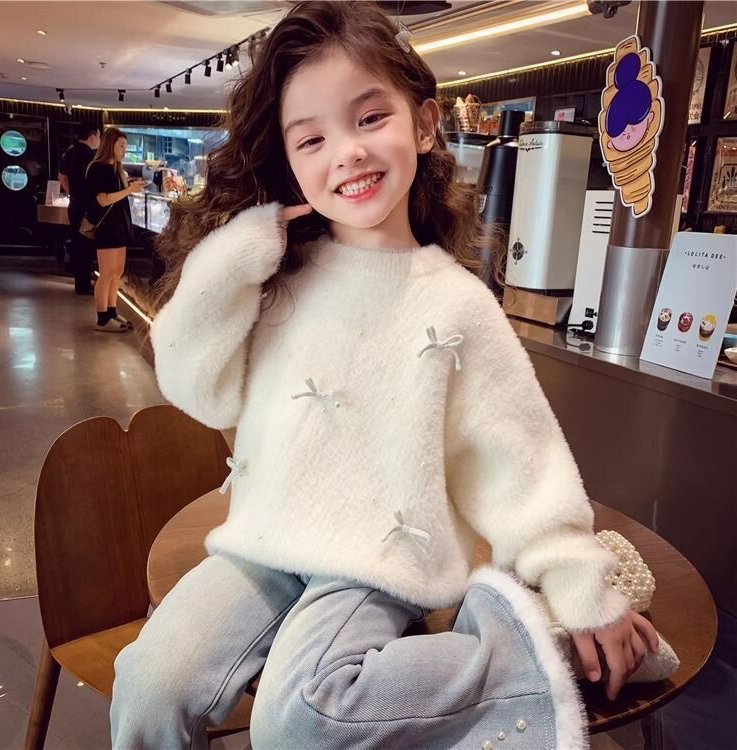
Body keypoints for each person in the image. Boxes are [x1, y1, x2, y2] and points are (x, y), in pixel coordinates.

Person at [110, 4, 659, 748]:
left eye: (370, 118)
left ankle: (524, 649)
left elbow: (519, 461)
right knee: (148, 682)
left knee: (298, 718)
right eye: (312, 138)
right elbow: (197, 388)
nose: (347, 152)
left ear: (425, 124)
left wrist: (580, 588)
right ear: (289, 159)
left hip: (378, 560)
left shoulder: (456, 304)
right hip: (261, 540)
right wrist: (234, 257)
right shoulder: (275, 277)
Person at [84, 127, 145, 332]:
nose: (124, 150)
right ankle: (102, 318)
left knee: (117, 273)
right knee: (106, 273)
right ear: (110, 145)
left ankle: (111, 311)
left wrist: (130, 187)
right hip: (107, 227)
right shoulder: (98, 168)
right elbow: (102, 200)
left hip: (119, 225)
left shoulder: (116, 169)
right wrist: (129, 190)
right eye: (121, 146)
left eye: (125, 146)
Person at [58, 122, 100, 294]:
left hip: (74, 205)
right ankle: (84, 285)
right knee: (86, 247)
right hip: (87, 208)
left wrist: (73, 193)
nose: (99, 140)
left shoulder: (70, 152)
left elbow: (61, 176)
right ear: (92, 136)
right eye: (99, 136)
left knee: (77, 244)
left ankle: (80, 283)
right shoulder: (91, 156)